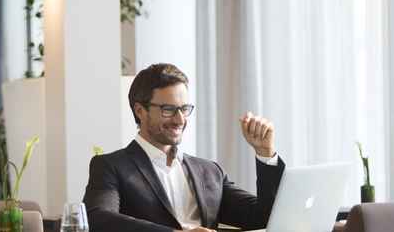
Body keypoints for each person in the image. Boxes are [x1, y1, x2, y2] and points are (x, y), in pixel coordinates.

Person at [83, 63, 286, 232]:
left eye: (184, 109)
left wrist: (265, 153)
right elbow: (98, 219)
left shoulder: (209, 171)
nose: (180, 119)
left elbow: (265, 218)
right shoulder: (111, 166)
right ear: (140, 110)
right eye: (168, 109)